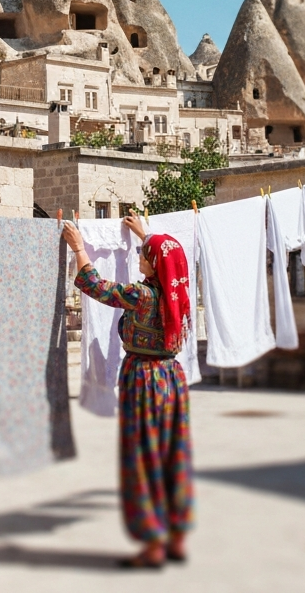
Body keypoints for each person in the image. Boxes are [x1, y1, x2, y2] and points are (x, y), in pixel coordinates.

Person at [61, 214, 193, 569]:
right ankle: (176, 536)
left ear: (152, 266)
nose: (138, 259)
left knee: (144, 458)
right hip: (172, 379)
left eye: (143, 256)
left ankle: (152, 544)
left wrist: (79, 247)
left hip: (146, 380)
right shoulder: (177, 292)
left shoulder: (143, 295)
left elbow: (96, 287)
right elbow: (166, 258)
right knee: (173, 455)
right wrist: (145, 236)